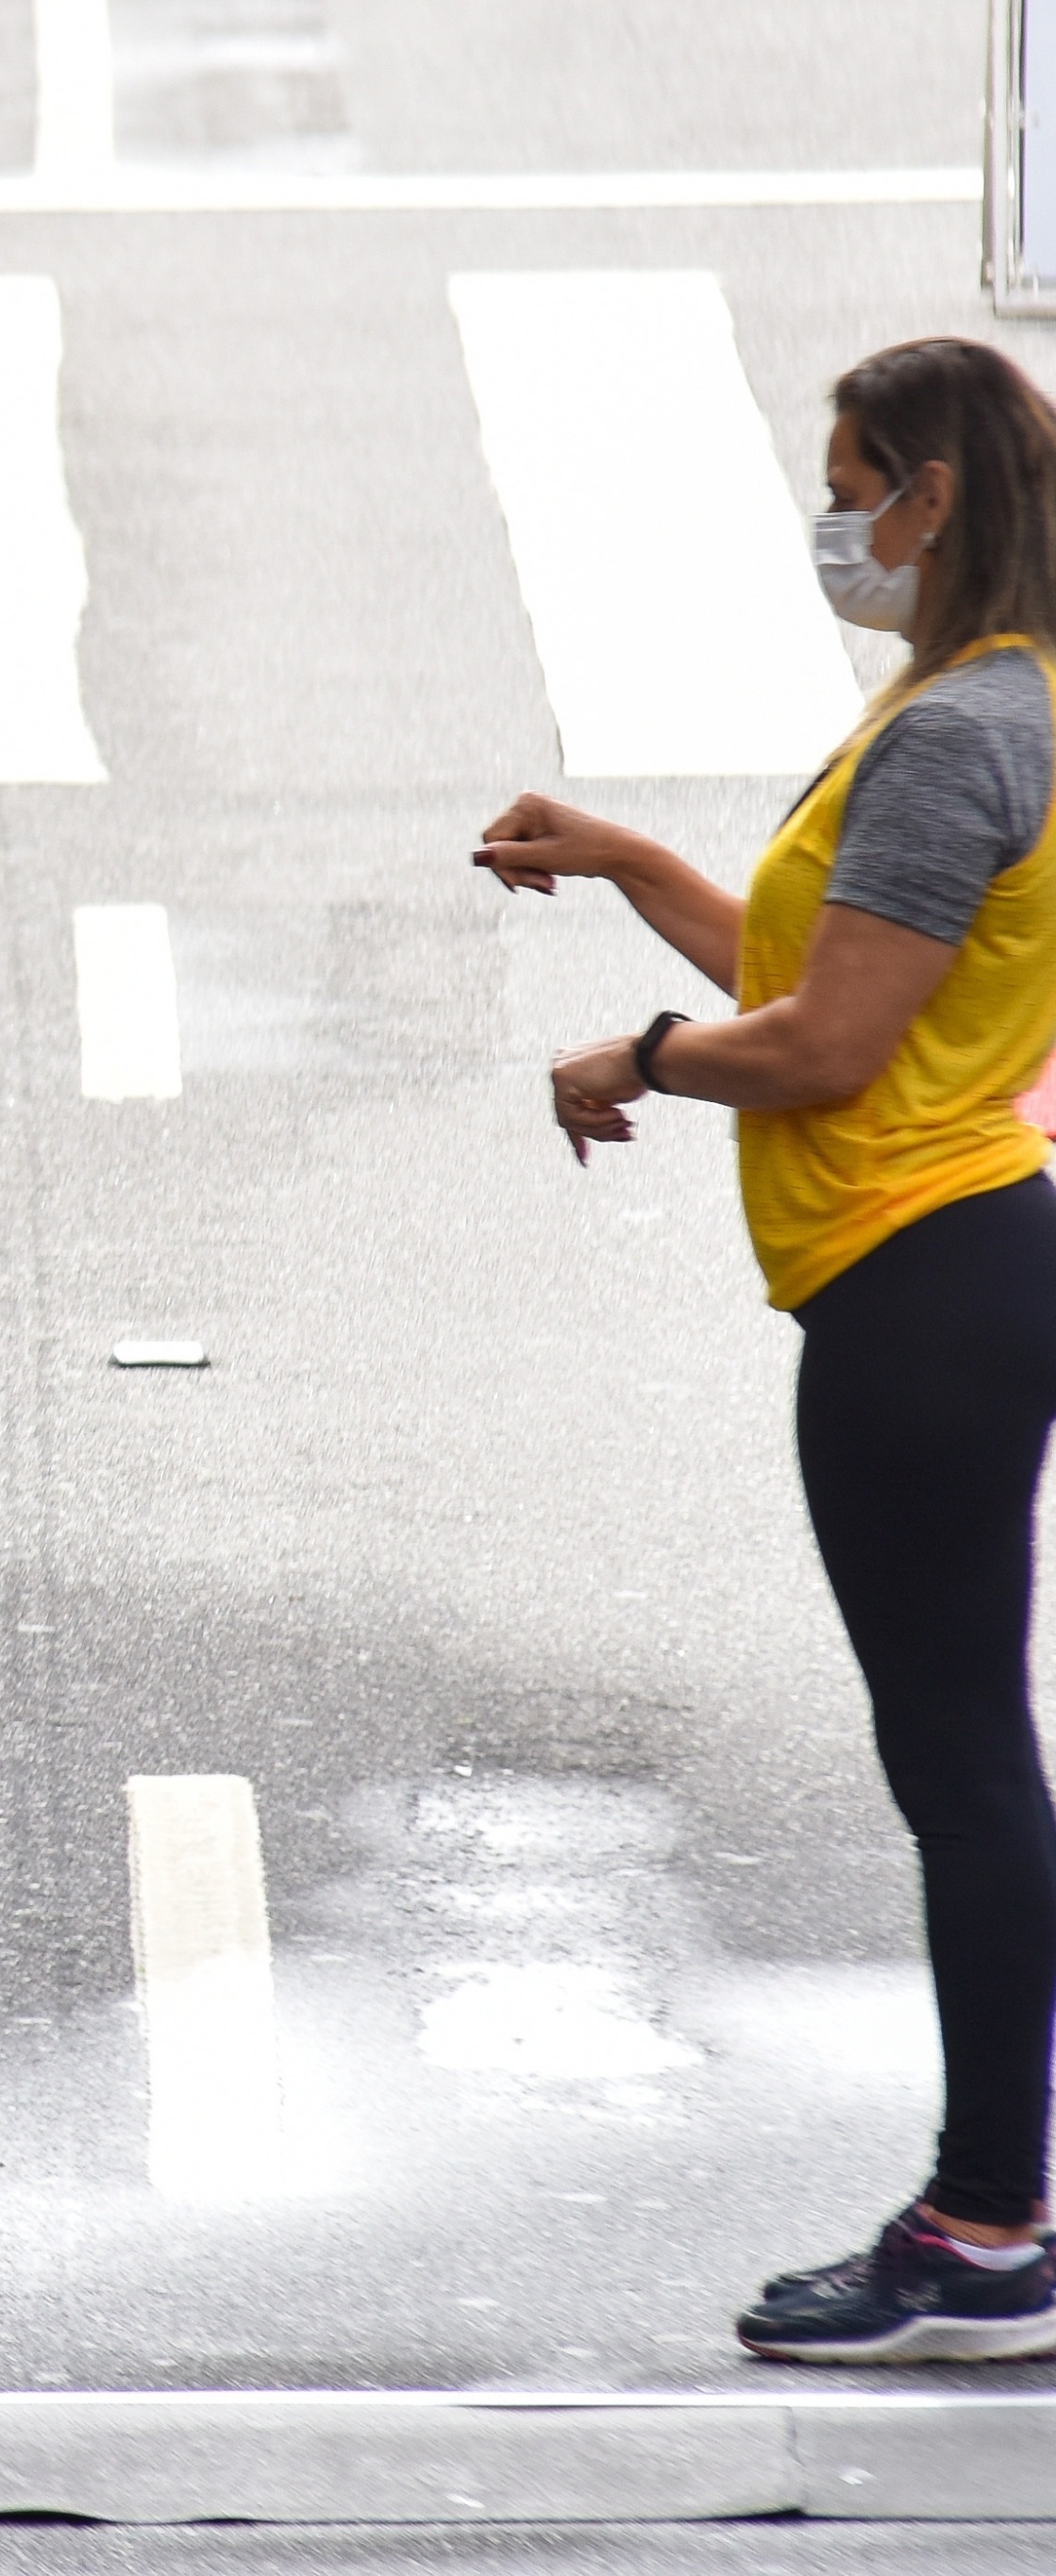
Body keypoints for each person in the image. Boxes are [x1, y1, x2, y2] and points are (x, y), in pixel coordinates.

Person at [479, 335, 1056, 2364]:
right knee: (970, 1755)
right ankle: (999, 2203)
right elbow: (826, 972)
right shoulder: (1000, 702)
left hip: (915, 1272)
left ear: (925, 493)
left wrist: (625, 1058)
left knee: (964, 1766)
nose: (831, 522)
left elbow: (816, 1045)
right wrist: (635, 868)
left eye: (848, 481)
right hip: (960, 1245)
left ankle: (987, 2224)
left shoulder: (953, 732)